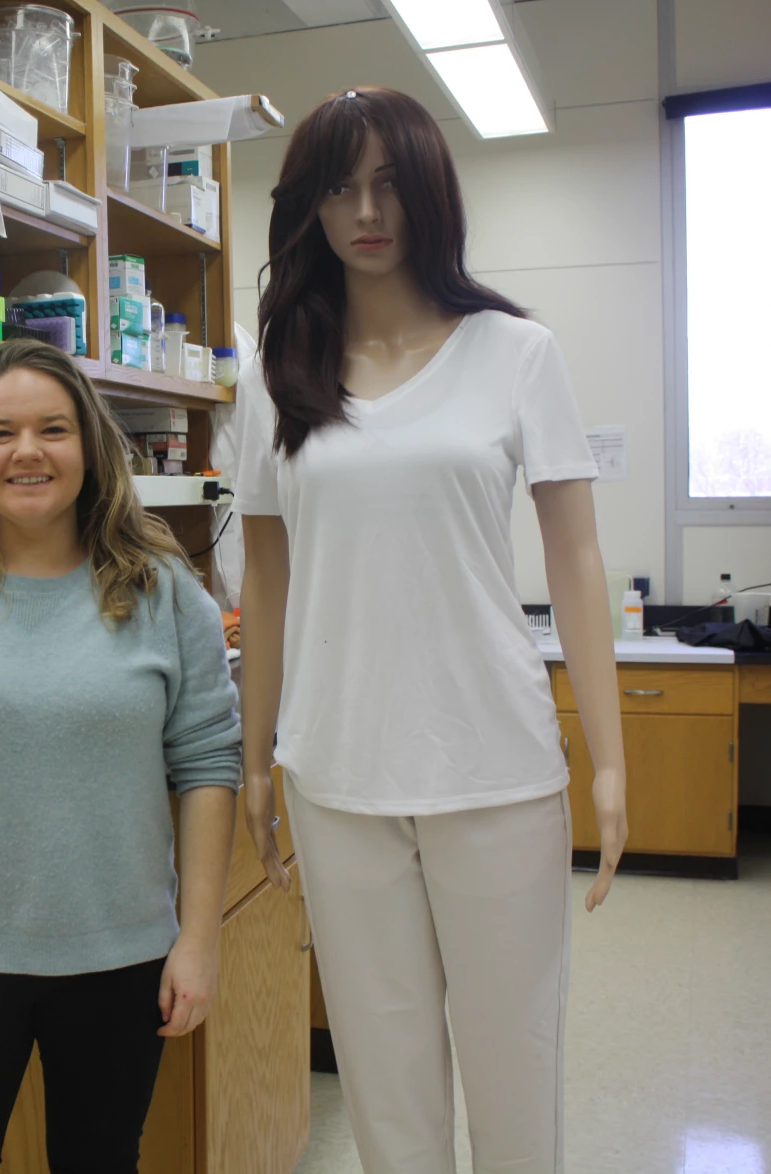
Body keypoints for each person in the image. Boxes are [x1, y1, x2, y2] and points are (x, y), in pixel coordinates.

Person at [235, 88, 627, 1173]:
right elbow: (263, 576)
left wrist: (606, 757)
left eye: (390, 183)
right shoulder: (272, 376)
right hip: (336, 772)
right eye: (339, 187)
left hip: (493, 766)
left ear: (430, 194)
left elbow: (576, 557)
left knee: (514, 1076)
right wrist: (256, 754)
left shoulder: (514, 353)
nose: (367, 210)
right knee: (384, 1087)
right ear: (307, 207)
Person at [0, 339, 241, 1172]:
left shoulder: (166, 594)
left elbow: (208, 770)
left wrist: (197, 940)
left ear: (90, 447)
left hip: (122, 961)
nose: (27, 452)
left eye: (53, 429)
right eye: (0, 432)